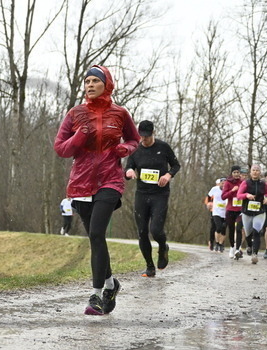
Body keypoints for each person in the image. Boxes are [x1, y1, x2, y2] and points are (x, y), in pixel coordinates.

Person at [54, 64, 139, 316]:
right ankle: (112, 285)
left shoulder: (120, 114)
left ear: (107, 84)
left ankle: (96, 295)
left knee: (97, 231)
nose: (90, 85)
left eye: (95, 81)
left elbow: (133, 139)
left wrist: (126, 149)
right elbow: (61, 148)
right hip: (81, 183)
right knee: (95, 237)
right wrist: (80, 136)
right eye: (87, 81)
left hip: (110, 180)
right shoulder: (75, 113)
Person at [124, 119, 180, 277]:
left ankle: (163, 247)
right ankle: (149, 266)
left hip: (160, 194)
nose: (144, 140)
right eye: (141, 136)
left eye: (147, 137)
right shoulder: (136, 149)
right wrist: (128, 172)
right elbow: (128, 167)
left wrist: (169, 175)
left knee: (155, 230)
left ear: (153, 134)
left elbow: (176, 165)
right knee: (142, 232)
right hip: (142, 194)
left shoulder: (163, 147)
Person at [237, 164, 267, 264]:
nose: (255, 172)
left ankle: (255, 254)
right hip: (247, 212)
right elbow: (239, 195)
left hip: (259, 211)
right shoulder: (245, 183)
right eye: (253, 170)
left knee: (257, 232)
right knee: (248, 233)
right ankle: (249, 246)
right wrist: (246, 195)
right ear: (250, 172)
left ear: (260, 172)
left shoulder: (263, 183)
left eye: (257, 170)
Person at [221, 165, 245, 259]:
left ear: (240, 173)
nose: (236, 174)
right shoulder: (227, 183)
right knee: (231, 230)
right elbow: (223, 196)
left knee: (239, 229)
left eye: (238, 172)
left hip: (240, 210)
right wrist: (232, 191)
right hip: (230, 209)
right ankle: (232, 247)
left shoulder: (243, 182)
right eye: (234, 172)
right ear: (231, 173)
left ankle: (238, 249)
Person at [207, 178, 227, 253]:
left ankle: (221, 244)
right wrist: (209, 203)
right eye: (222, 183)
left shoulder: (229, 190)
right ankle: (217, 243)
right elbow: (209, 195)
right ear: (220, 184)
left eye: (225, 184)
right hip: (216, 211)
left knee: (224, 228)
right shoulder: (215, 189)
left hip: (225, 212)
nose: (224, 185)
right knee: (218, 227)